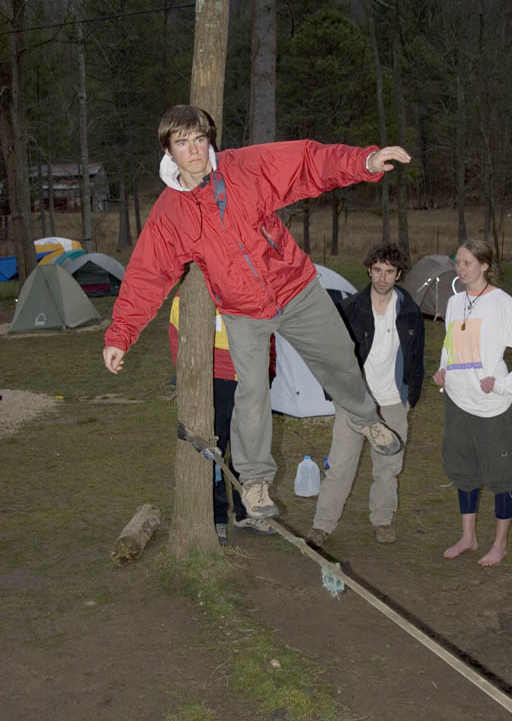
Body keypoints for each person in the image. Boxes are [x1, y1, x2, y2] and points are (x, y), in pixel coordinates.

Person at [103, 104, 411, 521]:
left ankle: (365, 419)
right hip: (243, 311)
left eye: (199, 139)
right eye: (182, 143)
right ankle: (254, 482)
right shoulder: (169, 215)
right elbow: (146, 276)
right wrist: (120, 335)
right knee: (251, 391)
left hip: (296, 287)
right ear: (168, 151)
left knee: (339, 356)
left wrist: (364, 161)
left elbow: (307, 161)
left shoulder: (243, 169)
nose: (194, 150)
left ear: (208, 139)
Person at [307, 243, 424, 547]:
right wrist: (336, 396)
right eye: (377, 270)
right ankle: (322, 525)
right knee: (340, 466)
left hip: (393, 402)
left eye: (389, 271)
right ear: (369, 270)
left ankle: (382, 519)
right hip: (354, 403)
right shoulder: (350, 310)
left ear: (398, 274)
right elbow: (330, 357)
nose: (382, 277)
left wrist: (410, 396)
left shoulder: (410, 312)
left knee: (388, 468)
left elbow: (417, 357)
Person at [169, 292, 277, 544]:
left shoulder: (246, 289)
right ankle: (217, 517)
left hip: (250, 379)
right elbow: (177, 339)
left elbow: (267, 335)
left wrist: (269, 371)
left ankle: (246, 512)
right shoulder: (189, 296)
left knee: (250, 448)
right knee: (216, 449)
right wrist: (188, 381)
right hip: (216, 380)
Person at [433, 240, 512, 567]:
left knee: (500, 474)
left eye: (466, 263)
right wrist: (442, 369)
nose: (460, 268)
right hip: (457, 400)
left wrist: (504, 384)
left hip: (490, 405)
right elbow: (451, 343)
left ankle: (500, 543)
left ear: (484, 266)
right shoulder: (454, 302)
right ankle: (468, 537)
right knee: (463, 468)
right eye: (458, 262)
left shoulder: (501, 303)